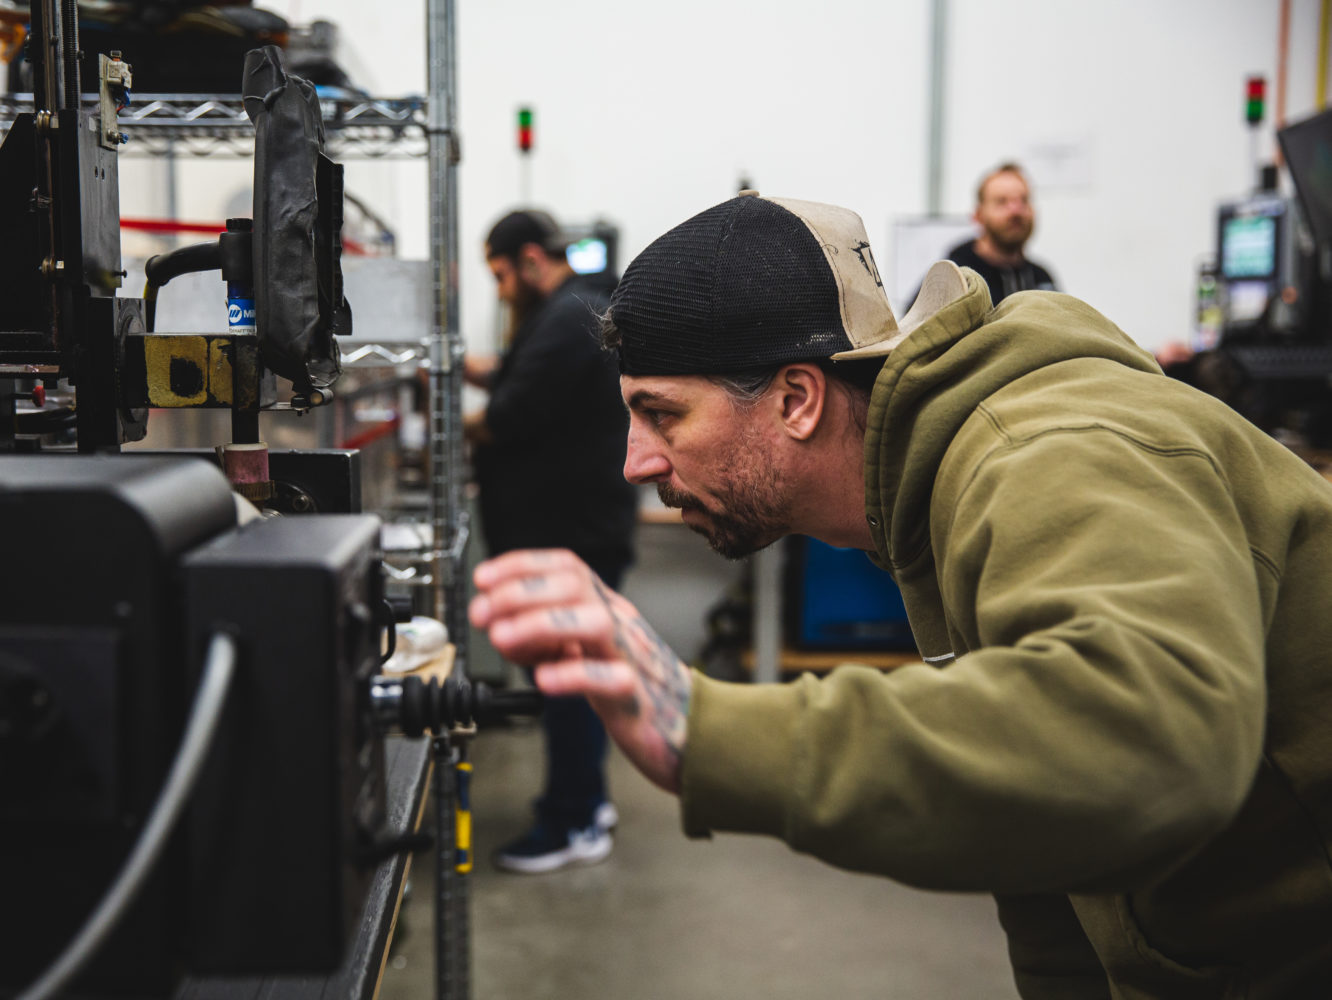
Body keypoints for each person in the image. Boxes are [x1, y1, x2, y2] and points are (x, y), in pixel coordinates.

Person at [468, 191, 1332, 995]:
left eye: (663, 414)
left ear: (797, 400)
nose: (635, 462)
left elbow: (1145, 743)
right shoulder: (930, 491)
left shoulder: (1051, 452)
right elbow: (1048, 854)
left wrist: (707, 730)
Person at [464, 208, 638, 873]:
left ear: (532, 259)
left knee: (567, 681)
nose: (501, 289)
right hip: (570, 530)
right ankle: (588, 801)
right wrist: (460, 371)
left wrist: (452, 424)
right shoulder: (568, 311)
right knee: (577, 675)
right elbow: (519, 376)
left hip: (568, 534)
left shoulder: (569, 315)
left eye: (501, 274)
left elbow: (509, 415)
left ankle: (572, 820)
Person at [947, 162, 1057, 304]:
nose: (1016, 211)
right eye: (1002, 201)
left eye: (1024, 200)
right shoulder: (953, 279)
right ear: (978, 215)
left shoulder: (1042, 279)